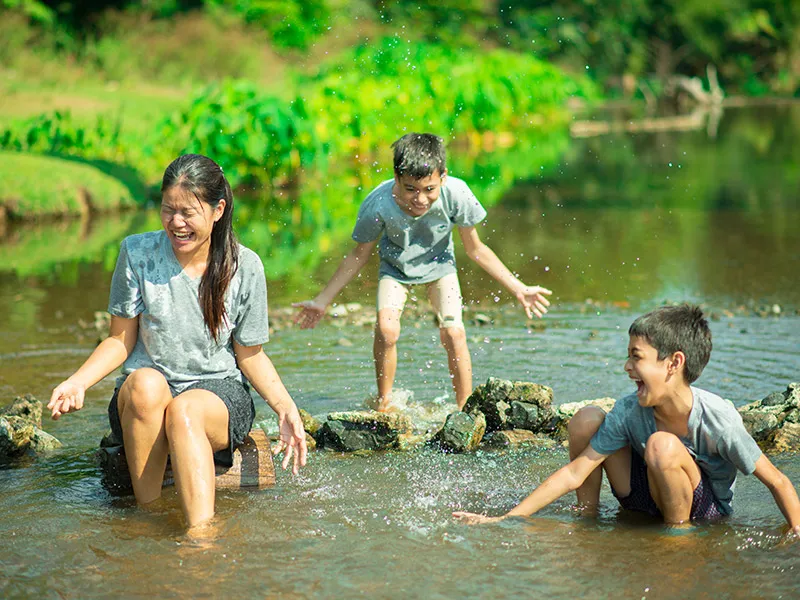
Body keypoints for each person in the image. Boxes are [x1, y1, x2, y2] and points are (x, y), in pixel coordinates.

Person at [47, 154, 307, 531]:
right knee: (144, 384)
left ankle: (202, 538)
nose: (176, 223)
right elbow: (120, 340)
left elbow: (250, 355)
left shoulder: (244, 266)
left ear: (218, 210)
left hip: (216, 395)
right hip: (145, 398)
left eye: (188, 212)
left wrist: (285, 407)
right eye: (168, 210)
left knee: (184, 410)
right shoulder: (136, 253)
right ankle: (147, 521)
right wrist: (78, 382)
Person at [454, 304, 800, 536]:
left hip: (699, 511)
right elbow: (576, 472)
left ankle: (676, 539)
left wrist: (795, 538)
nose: (626, 367)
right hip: (641, 497)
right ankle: (586, 517)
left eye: (636, 357)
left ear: (673, 363)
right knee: (587, 418)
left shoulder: (718, 419)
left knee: (663, 445)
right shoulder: (630, 410)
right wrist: (508, 517)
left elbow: (778, 482)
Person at [293, 133, 552, 411]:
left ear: (443, 177)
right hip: (395, 269)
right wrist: (322, 300)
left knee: (454, 333)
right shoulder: (377, 204)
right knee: (387, 329)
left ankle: (464, 408)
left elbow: (476, 249)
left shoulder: (457, 194)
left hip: (442, 267)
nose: (420, 199)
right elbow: (358, 256)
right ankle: (384, 404)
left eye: (429, 189)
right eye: (410, 189)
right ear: (396, 177)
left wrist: (518, 287)